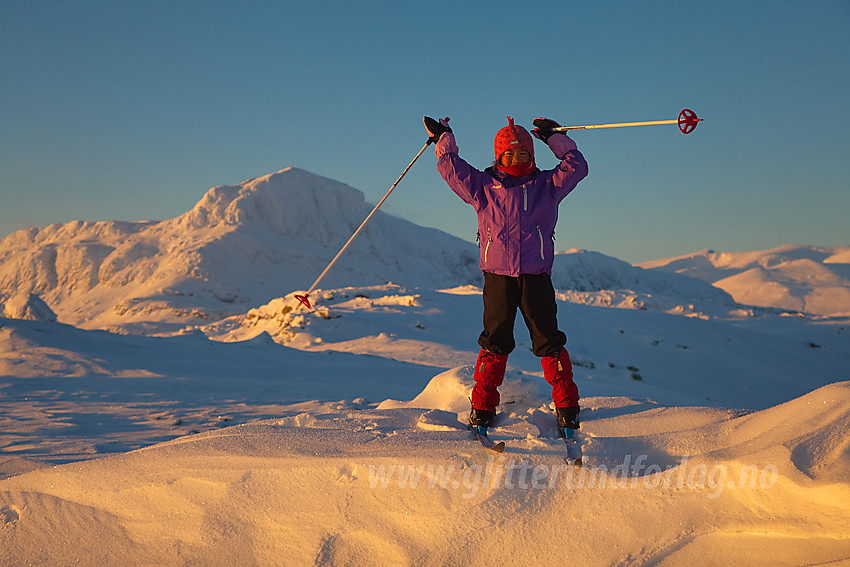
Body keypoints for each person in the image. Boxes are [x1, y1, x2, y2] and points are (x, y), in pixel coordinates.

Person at [424, 114, 588, 461]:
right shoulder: (483, 186)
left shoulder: (548, 185)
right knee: (495, 342)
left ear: (532, 155)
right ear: (499, 156)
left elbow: (577, 165)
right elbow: (450, 168)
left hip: (535, 278)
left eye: (525, 154)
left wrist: (554, 137)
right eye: (510, 155)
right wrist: (444, 138)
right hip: (498, 278)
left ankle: (568, 409)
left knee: (549, 342)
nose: (518, 160)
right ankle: (482, 409)